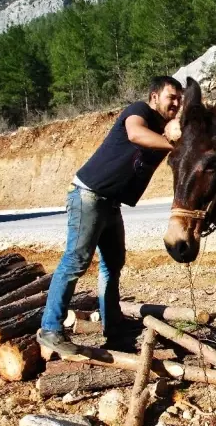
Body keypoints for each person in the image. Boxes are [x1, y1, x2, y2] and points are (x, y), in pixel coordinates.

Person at [37, 76, 183, 354]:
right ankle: (50, 329)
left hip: (111, 202)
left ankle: (113, 326)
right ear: (154, 97)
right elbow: (135, 134)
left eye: (180, 99)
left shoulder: (166, 129)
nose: (176, 103)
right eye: (171, 96)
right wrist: (174, 145)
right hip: (88, 195)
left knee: (112, 264)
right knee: (75, 261)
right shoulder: (139, 111)